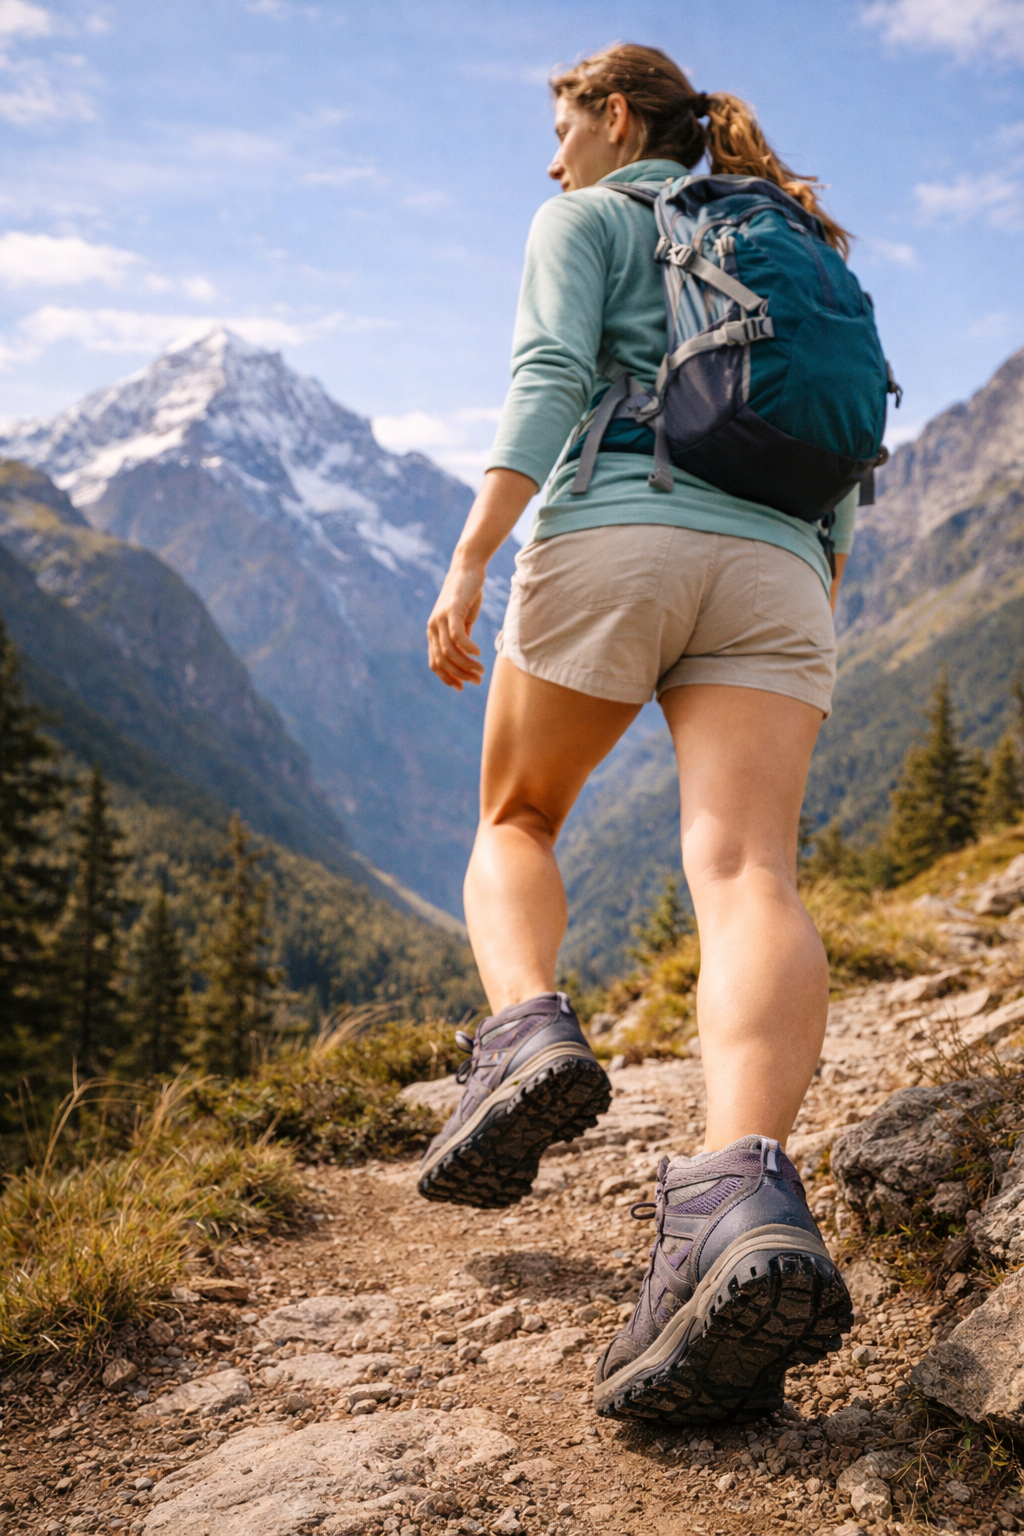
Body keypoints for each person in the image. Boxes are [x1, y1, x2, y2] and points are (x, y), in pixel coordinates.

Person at [422, 43, 857, 1423]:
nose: (549, 162)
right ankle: (742, 1191)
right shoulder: (787, 236)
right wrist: (803, 584)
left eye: (560, 130)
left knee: (517, 816)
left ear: (617, 118)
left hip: (620, 525)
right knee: (749, 877)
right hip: (786, 566)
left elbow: (552, 375)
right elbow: (840, 443)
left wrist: (474, 555)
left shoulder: (594, 218)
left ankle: (526, 1034)